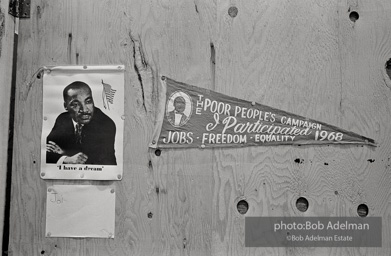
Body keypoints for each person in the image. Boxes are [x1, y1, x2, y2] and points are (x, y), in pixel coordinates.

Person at [46, 81, 117, 165]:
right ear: (66, 106)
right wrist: (67, 159)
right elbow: (46, 152)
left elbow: (101, 163)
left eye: (88, 101)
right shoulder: (63, 119)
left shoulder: (105, 125)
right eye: (75, 104)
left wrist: (65, 154)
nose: (84, 110)